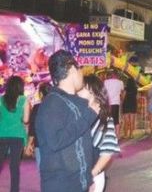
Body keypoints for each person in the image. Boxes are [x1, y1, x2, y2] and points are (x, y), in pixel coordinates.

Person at [35, 50, 100, 192]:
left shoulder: (72, 101)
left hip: (78, 184)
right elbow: (55, 141)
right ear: (71, 69)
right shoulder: (52, 103)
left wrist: (87, 179)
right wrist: (88, 116)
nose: (82, 73)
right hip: (60, 186)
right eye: (80, 69)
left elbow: (82, 144)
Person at [78, 75, 120, 192]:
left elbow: (107, 151)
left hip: (93, 175)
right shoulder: (77, 114)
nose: (77, 91)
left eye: (81, 88)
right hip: (75, 176)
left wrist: (91, 177)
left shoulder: (105, 119)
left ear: (93, 91)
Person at [0, 76, 31, 192]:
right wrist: (27, 140)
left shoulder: (1, 99)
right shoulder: (24, 100)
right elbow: (26, 121)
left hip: (1, 134)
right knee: (14, 167)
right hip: (17, 135)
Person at [27, 82, 51, 168]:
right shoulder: (57, 106)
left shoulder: (37, 107)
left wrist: (29, 144)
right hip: (55, 143)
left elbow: (32, 126)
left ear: (41, 94)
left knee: (42, 170)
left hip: (40, 143)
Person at [104, 72, 124, 137]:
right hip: (116, 103)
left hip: (107, 103)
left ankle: (108, 134)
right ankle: (117, 136)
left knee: (107, 119)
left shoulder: (105, 82)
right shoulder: (120, 82)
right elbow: (122, 92)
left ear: (112, 75)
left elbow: (103, 91)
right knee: (116, 120)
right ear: (117, 76)